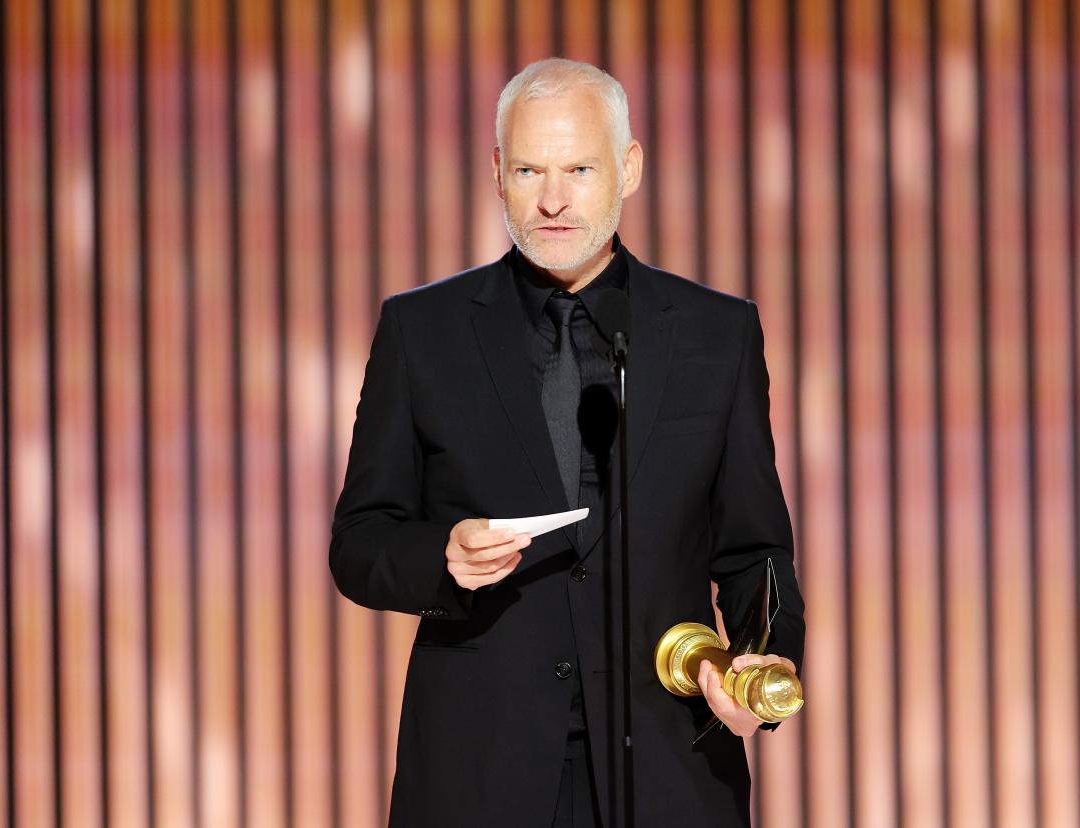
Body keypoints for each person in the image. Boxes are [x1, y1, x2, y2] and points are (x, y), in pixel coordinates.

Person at [330, 58, 804, 827]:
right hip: (479, 769)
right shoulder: (424, 332)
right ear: (496, 172)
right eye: (529, 169)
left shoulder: (716, 334)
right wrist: (442, 556)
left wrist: (762, 662)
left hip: (668, 764)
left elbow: (754, 549)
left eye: (580, 168)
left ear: (629, 167)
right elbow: (359, 542)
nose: (552, 199)